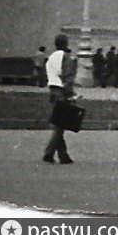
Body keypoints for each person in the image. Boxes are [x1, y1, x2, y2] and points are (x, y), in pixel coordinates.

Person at [41, 34, 77, 164]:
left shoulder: (51, 57)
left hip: (53, 90)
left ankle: (63, 155)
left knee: (59, 123)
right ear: (66, 43)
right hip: (62, 92)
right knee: (61, 124)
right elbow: (68, 77)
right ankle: (49, 152)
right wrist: (71, 94)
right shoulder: (66, 57)